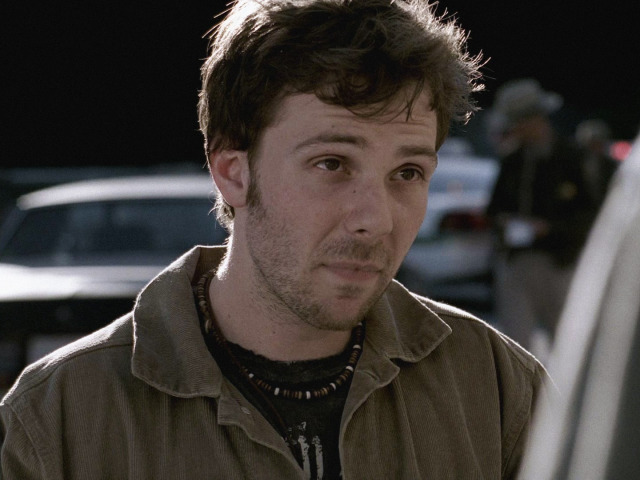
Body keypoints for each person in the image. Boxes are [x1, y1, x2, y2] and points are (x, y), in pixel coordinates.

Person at [1, 2, 550, 478]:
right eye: (332, 163)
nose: (376, 220)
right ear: (233, 173)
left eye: (407, 172)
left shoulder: (497, 389)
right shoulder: (59, 420)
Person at [486, 79, 616, 358]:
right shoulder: (512, 161)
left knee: (570, 346)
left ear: (534, 119)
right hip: (517, 262)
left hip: (561, 264)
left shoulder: (574, 159)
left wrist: (551, 229)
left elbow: (594, 216)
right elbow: (494, 209)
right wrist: (505, 224)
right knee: (514, 348)